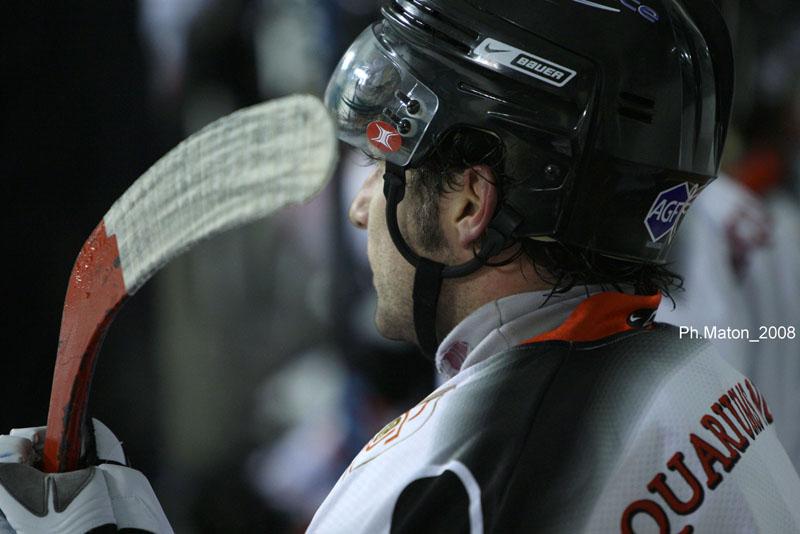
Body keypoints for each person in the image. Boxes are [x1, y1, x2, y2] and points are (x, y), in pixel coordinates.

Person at [2, 1, 800, 533]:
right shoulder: (707, 376)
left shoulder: (435, 483)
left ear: (468, 205)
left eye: (384, 169)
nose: (360, 210)